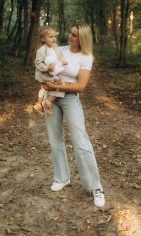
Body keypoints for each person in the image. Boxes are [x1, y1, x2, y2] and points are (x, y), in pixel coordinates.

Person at [43, 23, 105, 208]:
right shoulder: (58, 49)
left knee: (81, 142)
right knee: (55, 140)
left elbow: (80, 86)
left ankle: (95, 187)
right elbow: (43, 67)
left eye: (75, 35)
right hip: (51, 98)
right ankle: (62, 177)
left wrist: (56, 86)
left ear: (83, 38)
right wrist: (47, 85)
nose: (70, 37)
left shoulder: (86, 57)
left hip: (70, 99)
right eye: (70, 33)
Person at [33, 26, 68, 117]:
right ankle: (47, 101)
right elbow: (37, 62)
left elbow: (60, 56)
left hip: (52, 72)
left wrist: (63, 60)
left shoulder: (55, 47)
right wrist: (46, 68)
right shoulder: (41, 50)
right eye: (51, 37)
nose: (54, 39)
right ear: (43, 39)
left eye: (55, 36)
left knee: (44, 88)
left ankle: (39, 104)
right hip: (44, 73)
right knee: (60, 84)